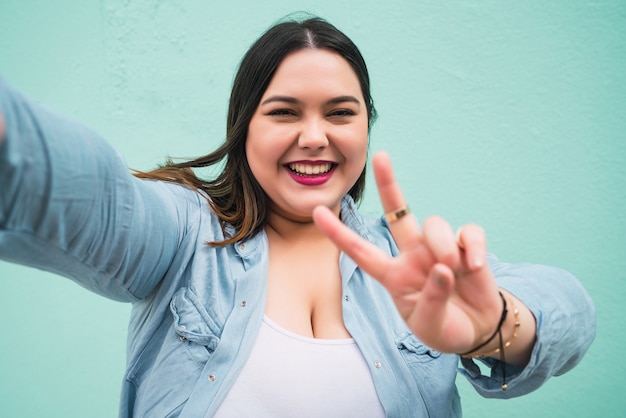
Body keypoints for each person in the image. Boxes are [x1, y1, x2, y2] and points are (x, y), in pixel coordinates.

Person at [0, 16, 595, 418]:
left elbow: (570, 308)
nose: (315, 137)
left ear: (365, 127)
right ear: (244, 128)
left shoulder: (414, 269)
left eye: (340, 112)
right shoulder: (184, 236)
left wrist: (493, 324)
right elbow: (95, 197)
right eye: (284, 112)